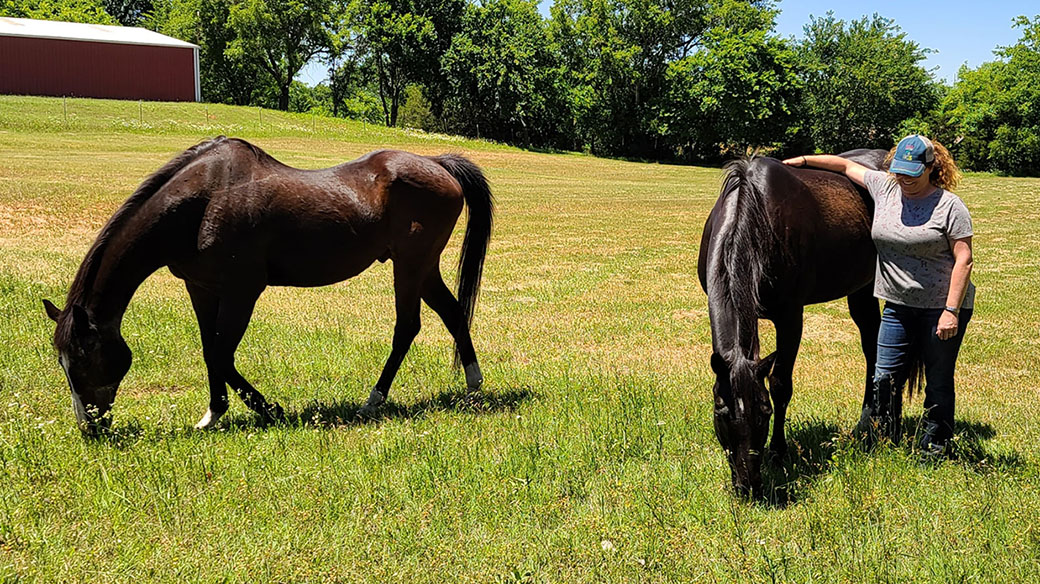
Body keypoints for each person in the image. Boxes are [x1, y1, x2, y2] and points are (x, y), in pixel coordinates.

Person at [782, 135, 975, 458]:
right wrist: (801, 161)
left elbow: (964, 259)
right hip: (897, 306)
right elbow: (844, 165)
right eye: (899, 171)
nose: (905, 179)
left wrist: (951, 310)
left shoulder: (949, 206)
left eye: (912, 173)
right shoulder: (885, 188)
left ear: (930, 168)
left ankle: (935, 448)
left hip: (939, 307)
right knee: (884, 377)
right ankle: (883, 439)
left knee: (938, 382)